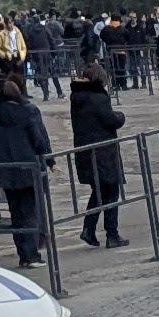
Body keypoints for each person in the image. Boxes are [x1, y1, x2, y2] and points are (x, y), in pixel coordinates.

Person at [0, 58, 54, 267]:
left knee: (16, 212)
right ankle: (31, 255)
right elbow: (38, 139)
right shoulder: (27, 112)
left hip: (5, 170)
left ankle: (23, 254)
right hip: (27, 168)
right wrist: (48, 159)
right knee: (29, 211)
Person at [68, 57, 127, 248]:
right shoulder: (98, 98)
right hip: (103, 152)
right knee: (111, 191)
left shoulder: (77, 97)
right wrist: (120, 116)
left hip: (85, 152)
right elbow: (110, 120)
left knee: (99, 191)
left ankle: (88, 229)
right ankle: (112, 234)